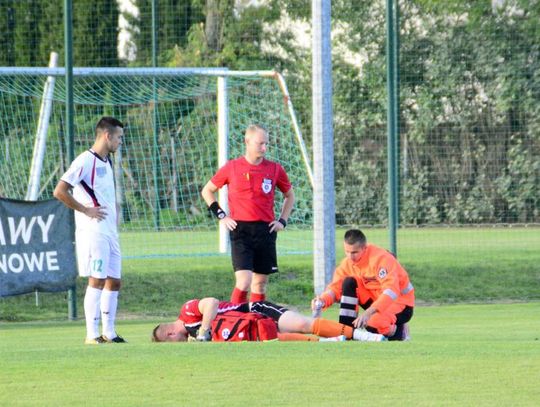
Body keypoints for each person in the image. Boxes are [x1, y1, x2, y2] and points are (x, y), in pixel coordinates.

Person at [201, 124, 295, 304]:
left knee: (259, 284)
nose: (265, 148)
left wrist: (282, 221)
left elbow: (290, 195)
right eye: (260, 143)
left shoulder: (275, 169)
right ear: (247, 142)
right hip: (240, 230)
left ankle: (255, 324)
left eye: (266, 143)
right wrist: (222, 216)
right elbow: (207, 190)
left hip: (266, 230)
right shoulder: (232, 167)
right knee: (244, 282)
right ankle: (235, 320)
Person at [53, 117, 126, 345]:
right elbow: (60, 191)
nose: (121, 142)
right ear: (107, 136)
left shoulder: (107, 161)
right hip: (94, 232)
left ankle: (110, 332)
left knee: (114, 280)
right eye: (119, 137)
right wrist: (85, 210)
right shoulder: (85, 160)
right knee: (97, 278)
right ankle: (91, 334)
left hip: (110, 232)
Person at [311, 229, 415, 341]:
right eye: (347, 252)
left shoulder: (381, 259)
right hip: (376, 302)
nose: (350, 256)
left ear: (364, 248)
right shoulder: (347, 263)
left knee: (372, 323)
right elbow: (335, 288)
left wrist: (368, 313)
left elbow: (391, 291)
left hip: (400, 304)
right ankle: (346, 331)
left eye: (354, 252)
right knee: (348, 282)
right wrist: (322, 301)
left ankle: (400, 331)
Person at [151, 297, 386, 342]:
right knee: (285, 339)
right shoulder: (192, 335)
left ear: (170, 334)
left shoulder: (187, 311)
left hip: (256, 310)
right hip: (253, 326)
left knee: (303, 325)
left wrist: (204, 330)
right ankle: (336, 340)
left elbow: (211, 302)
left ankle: (363, 335)